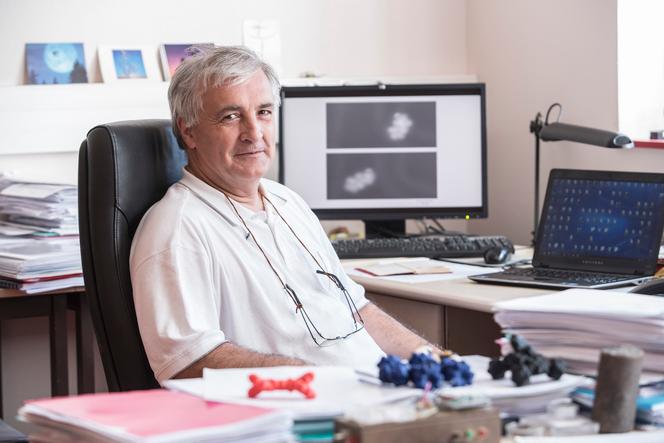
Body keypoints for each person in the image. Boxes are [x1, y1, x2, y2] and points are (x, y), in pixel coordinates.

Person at [130, 46, 441, 383]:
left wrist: (435, 359)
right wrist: (321, 380)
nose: (254, 132)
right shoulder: (177, 230)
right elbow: (187, 363)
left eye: (263, 112)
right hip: (312, 409)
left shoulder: (287, 201)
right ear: (188, 131)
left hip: (376, 391)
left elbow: (357, 309)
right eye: (231, 116)